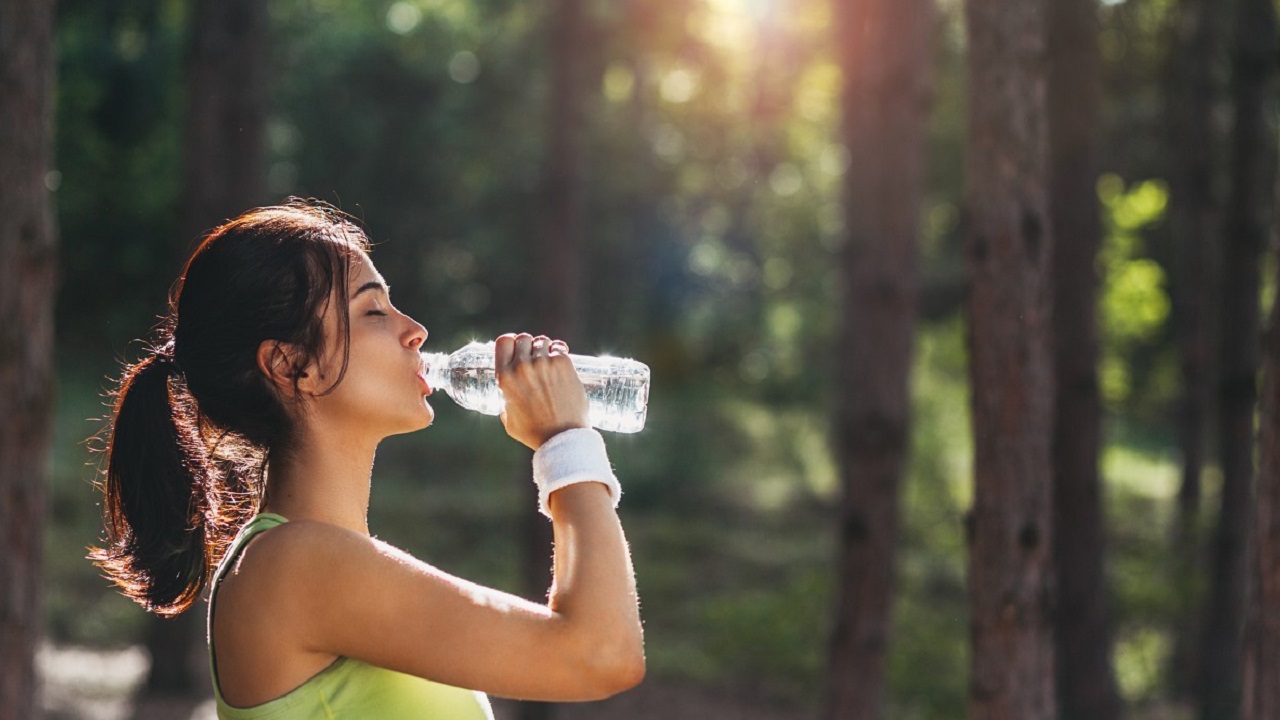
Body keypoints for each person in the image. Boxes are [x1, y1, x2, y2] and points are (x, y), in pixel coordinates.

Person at [91, 199, 645, 717]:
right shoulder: (296, 564)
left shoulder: (318, 558)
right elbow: (600, 655)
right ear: (290, 366)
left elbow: (593, 649)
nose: (415, 331)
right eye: (374, 311)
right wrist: (564, 438)